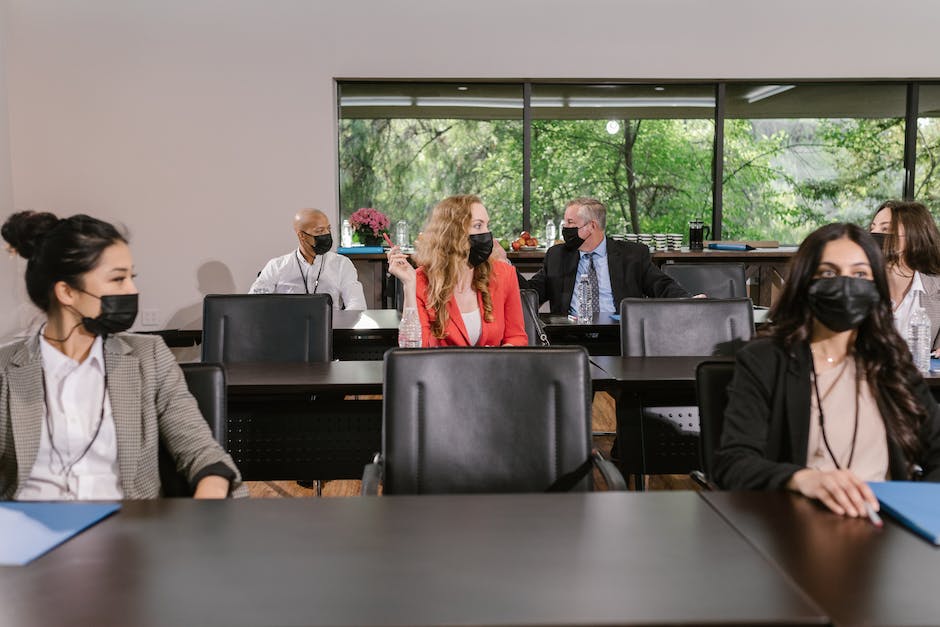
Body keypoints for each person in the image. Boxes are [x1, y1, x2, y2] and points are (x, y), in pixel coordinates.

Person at [0, 211, 246, 500]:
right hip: (28, 533)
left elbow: (204, 454)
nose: (133, 290)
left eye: (132, 277)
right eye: (118, 279)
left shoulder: (149, 358)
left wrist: (209, 508)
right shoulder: (6, 368)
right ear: (66, 292)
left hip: (130, 534)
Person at [714, 223, 940, 518]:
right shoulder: (765, 360)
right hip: (797, 526)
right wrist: (800, 479)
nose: (846, 285)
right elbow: (733, 463)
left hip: (888, 528)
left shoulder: (890, 361)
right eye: (829, 273)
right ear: (805, 283)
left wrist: (921, 510)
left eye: (860, 274)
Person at [504, 197, 692, 316]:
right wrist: (504, 263)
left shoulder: (632, 255)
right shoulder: (557, 255)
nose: (565, 228)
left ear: (591, 226)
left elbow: (662, 285)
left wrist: (690, 301)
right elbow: (531, 292)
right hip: (570, 336)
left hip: (618, 335)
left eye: (570, 222)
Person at [386, 194, 527, 347]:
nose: (488, 235)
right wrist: (409, 284)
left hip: (493, 370)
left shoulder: (504, 274)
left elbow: (516, 338)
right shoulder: (420, 280)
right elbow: (414, 350)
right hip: (441, 371)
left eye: (487, 225)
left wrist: (496, 358)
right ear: (453, 233)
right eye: (478, 226)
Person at [250, 208, 366, 310]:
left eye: (328, 229)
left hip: (330, 330)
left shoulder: (342, 264)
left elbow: (357, 304)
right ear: (302, 235)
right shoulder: (276, 266)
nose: (326, 234)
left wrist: (340, 326)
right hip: (288, 329)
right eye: (319, 231)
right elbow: (253, 303)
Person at [868, 200, 940, 354]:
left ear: (914, 235)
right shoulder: (859, 284)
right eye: (872, 228)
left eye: (886, 228)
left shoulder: (937, 290)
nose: (874, 235)